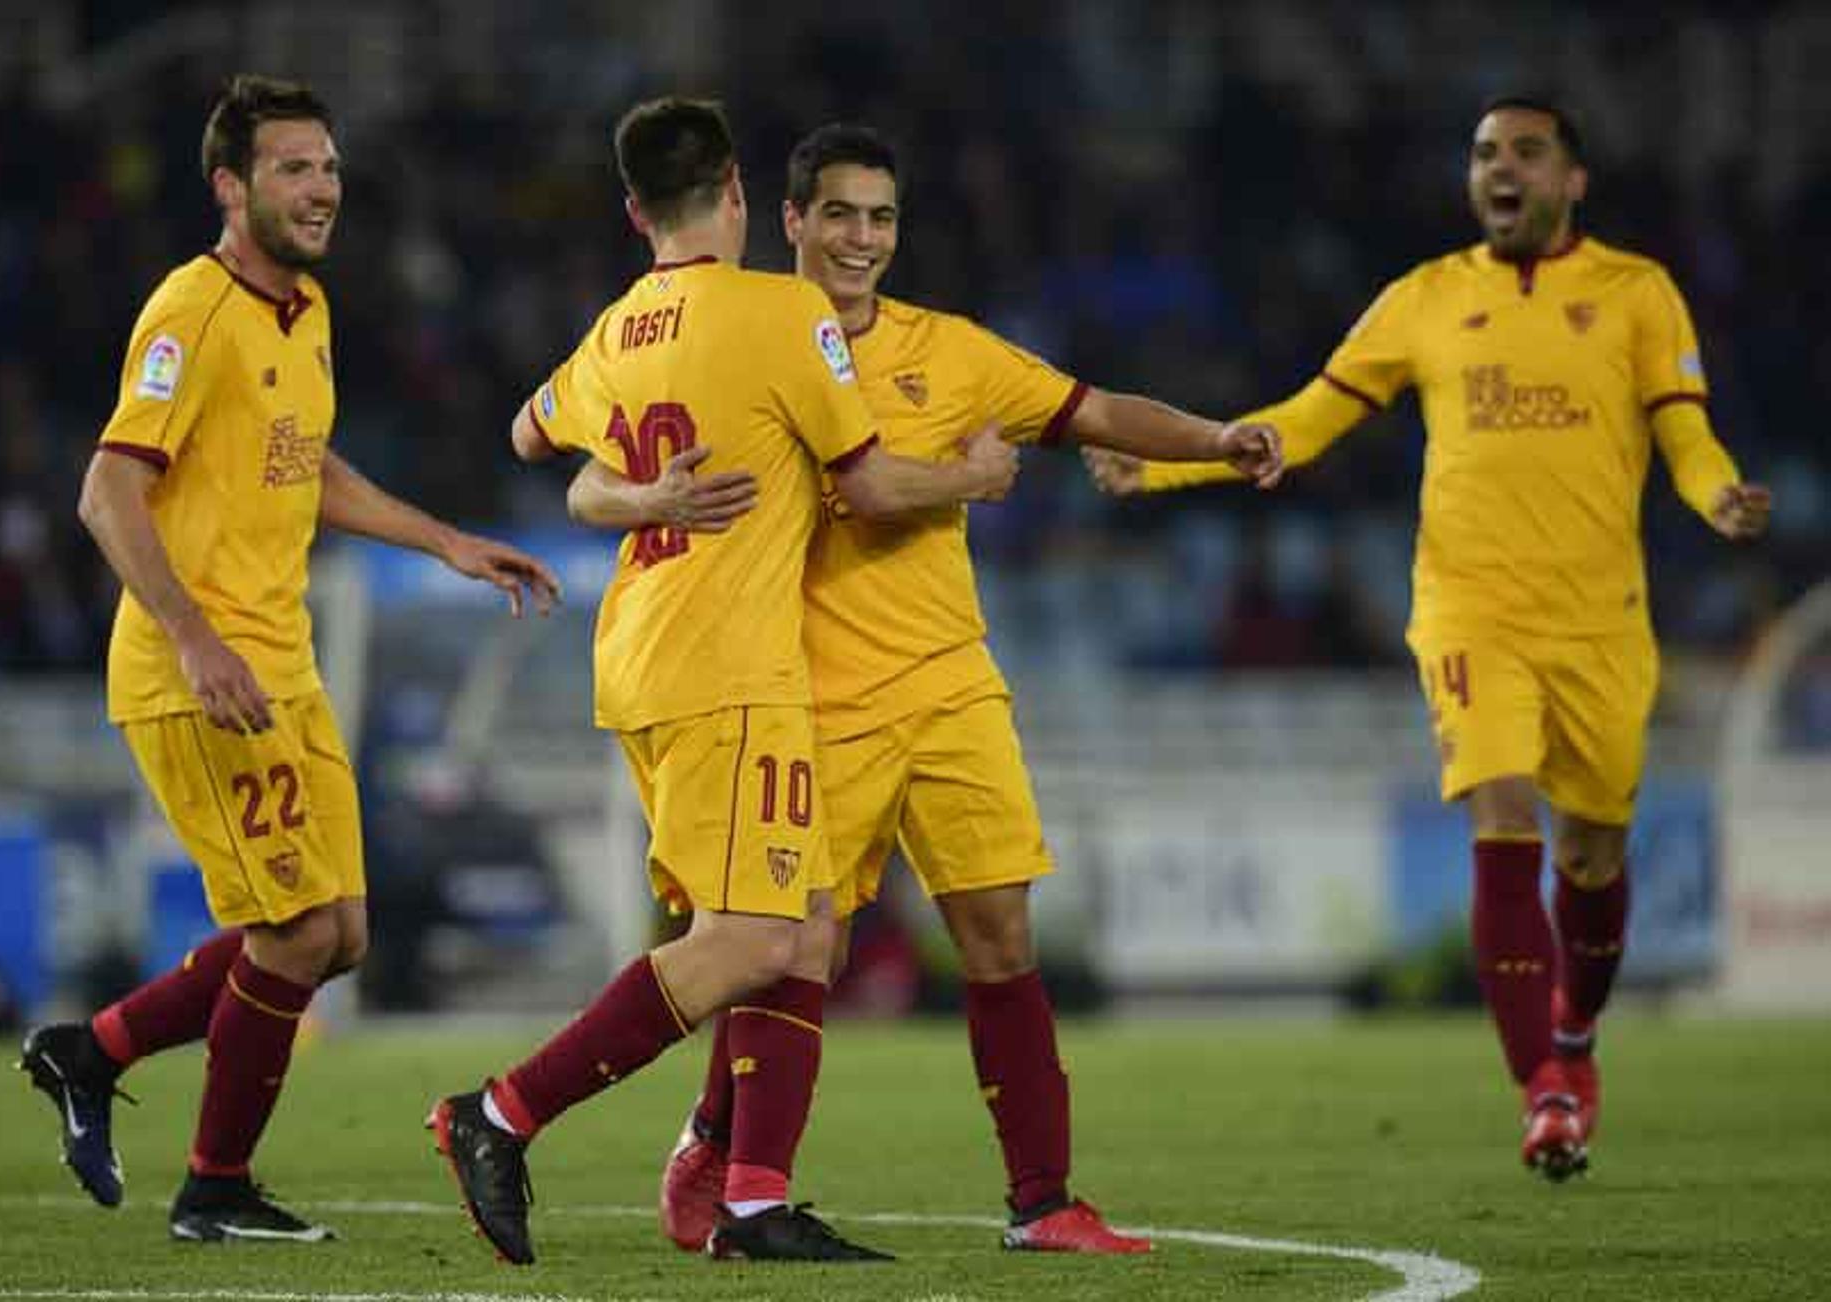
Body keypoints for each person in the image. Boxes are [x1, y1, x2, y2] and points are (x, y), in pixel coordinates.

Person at [569, 123, 1281, 1254]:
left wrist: (1217, 437)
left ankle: (1043, 1202)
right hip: (804, 694)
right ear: (788, 219)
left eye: (882, 217)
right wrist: (964, 480)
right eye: (840, 214)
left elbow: (1092, 410)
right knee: (793, 950)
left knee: (1000, 934)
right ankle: (729, 1158)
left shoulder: (950, 351)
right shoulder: (739, 333)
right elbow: (598, 471)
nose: (862, 238)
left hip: (949, 685)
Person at [1087, 97, 1772, 1181]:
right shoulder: (1426, 298)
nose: (1501, 169)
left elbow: (1682, 431)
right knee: (1502, 812)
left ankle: (1577, 1038)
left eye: (1527, 152)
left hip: (1602, 622)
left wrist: (1719, 495)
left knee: (1592, 858)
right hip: (1470, 607)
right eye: (1485, 153)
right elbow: (1310, 417)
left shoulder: (1638, 293)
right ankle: (1541, 1088)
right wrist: (1171, 462)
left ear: (1573, 180)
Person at [427, 98, 1020, 1268]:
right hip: (732, 667)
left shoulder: (620, 327)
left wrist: (638, 497)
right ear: (741, 194)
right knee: (754, 940)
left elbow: (529, 441)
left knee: (803, 930)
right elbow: (875, 487)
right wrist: (977, 472)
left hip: (641, 653)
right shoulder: (786, 312)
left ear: (637, 211)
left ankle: (752, 1202)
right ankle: (499, 1115)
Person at [17, 74, 560, 1243]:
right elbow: (107, 493)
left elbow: (304, 463)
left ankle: (89, 1052)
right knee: (299, 933)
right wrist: (196, 636)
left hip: (284, 662)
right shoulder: (188, 311)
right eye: (293, 169)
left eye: (328, 167)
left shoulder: (305, 308)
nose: (322, 189)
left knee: (343, 936)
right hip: (198, 674)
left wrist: (446, 539)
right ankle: (215, 1185)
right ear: (230, 186)